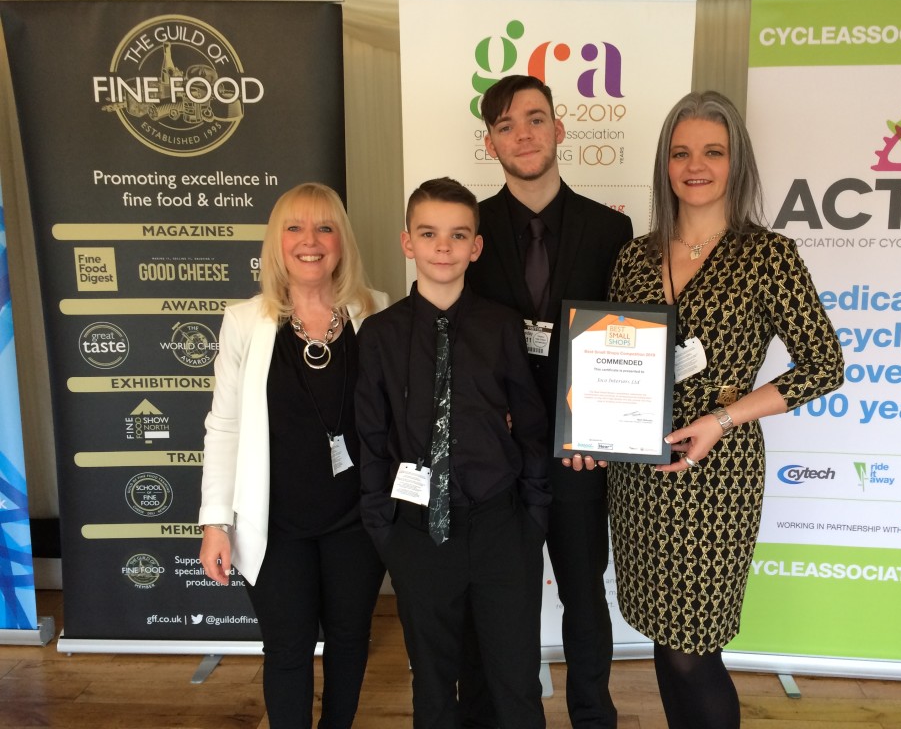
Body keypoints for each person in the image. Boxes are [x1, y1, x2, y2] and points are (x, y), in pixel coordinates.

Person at [606, 90, 845, 728]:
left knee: (692, 651)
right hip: (640, 476)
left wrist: (722, 419)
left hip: (717, 473)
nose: (695, 165)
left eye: (713, 151)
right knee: (662, 636)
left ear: (736, 163)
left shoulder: (769, 256)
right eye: (681, 152)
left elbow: (824, 366)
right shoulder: (634, 256)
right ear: (664, 163)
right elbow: (611, 359)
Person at [463, 74, 632, 728]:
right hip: (497, 454)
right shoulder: (469, 230)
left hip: (579, 451)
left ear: (560, 130)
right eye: (506, 125)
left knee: (584, 597)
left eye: (535, 119)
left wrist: (605, 426)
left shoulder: (609, 229)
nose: (523, 134)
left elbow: (625, 336)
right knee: (499, 599)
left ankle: (593, 716)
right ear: (490, 143)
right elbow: (459, 330)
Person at [357, 177, 551, 729]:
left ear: (476, 247)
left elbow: (531, 428)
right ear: (407, 243)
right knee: (435, 687)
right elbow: (371, 439)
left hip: (499, 529)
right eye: (429, 233)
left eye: (458, 234)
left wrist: (532, 519)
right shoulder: (379, 335)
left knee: (515, 681)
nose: (443, 246)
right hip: (418, 534)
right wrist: (383, 529)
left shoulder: (502, 326)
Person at [198, 182, 387, 729]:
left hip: (357, 521)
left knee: (352, 642)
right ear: (276, 243)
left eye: (325, 227)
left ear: (342, 242)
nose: (311, 241)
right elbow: (224, 426)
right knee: (287, 647)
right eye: (295, 228)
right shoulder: (244, 322)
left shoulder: (376, 314)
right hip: (274, 523)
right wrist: (216, 522)